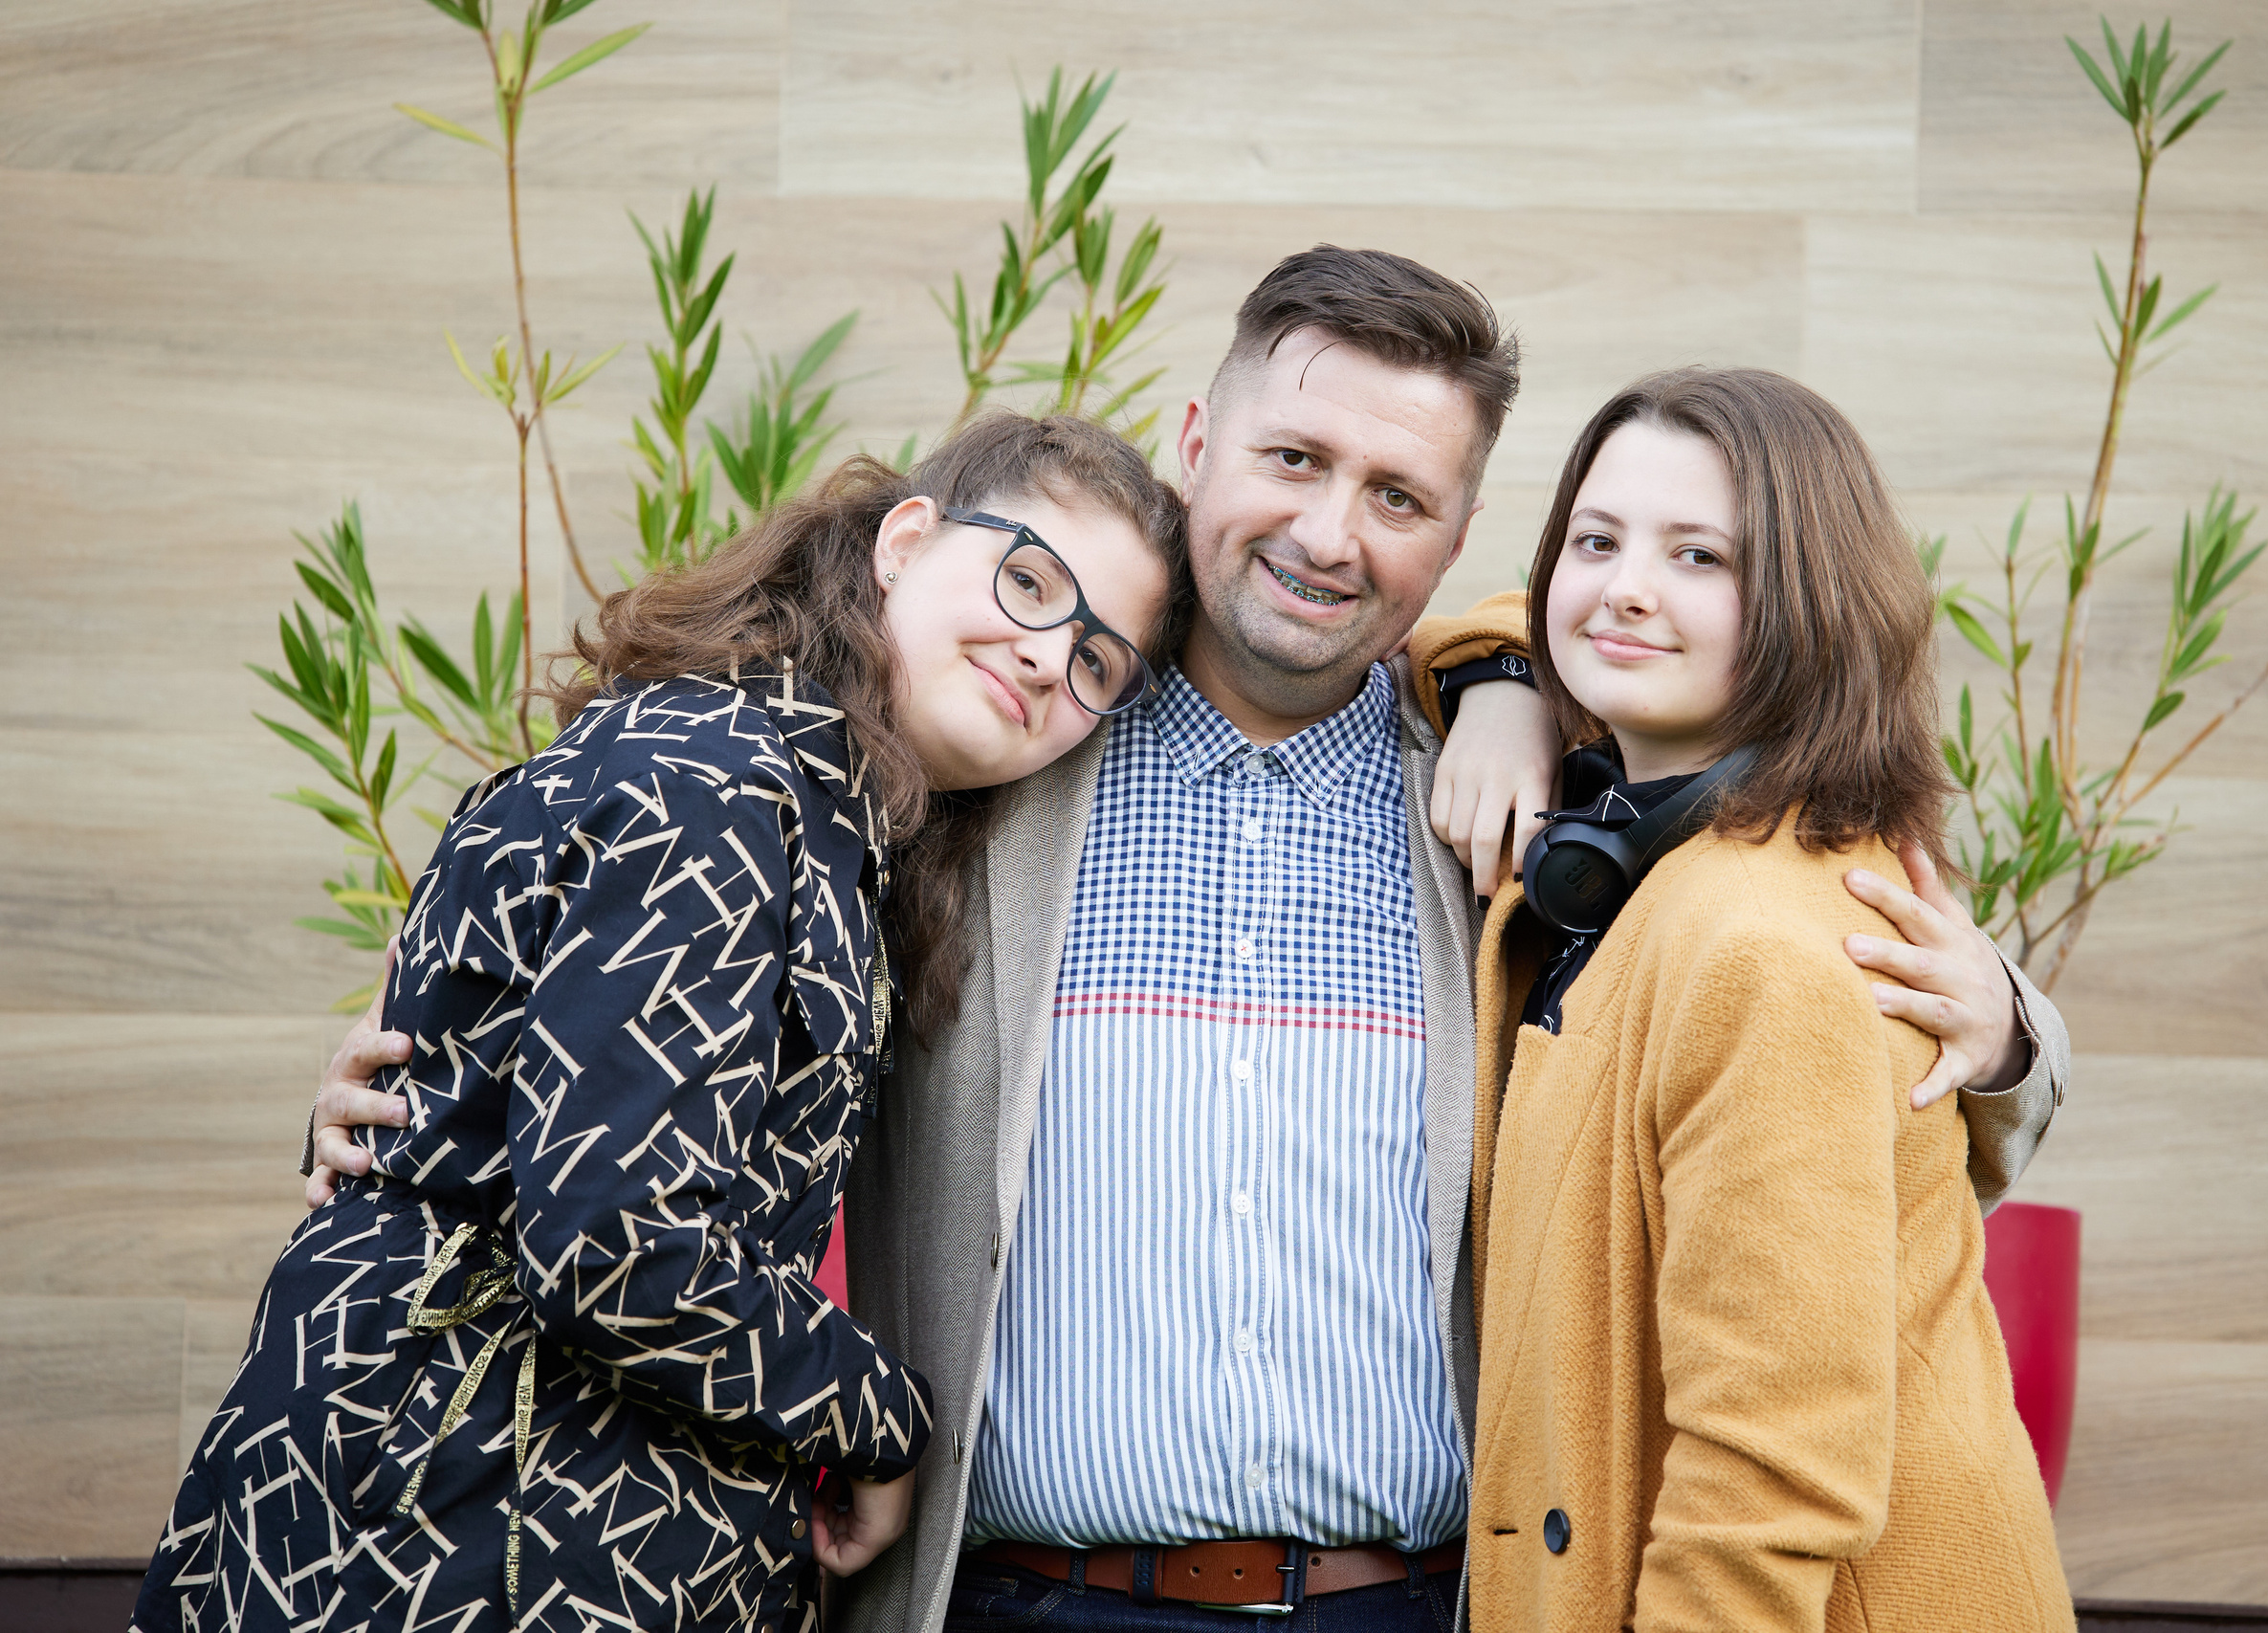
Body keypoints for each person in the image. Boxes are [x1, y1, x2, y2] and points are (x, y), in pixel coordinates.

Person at [310, 248, 2069, 1632]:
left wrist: (2003, 1026)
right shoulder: (998, 742)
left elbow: (1824, 990)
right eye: (1294, 458)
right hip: (1003, 1597)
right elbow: (638, 936)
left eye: (1400, 495)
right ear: (1197, 443)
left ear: (1462, 536)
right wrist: (416, 1111)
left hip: (1418, 1603)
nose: (1327, 530)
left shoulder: (1561, 818)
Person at [137, 412, 1187, 1633]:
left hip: (499, 1523)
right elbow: (622, 1245)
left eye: (1098, 662)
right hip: (463, 1543)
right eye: (1028, 580)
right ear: (905, 542)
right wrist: (882, 1426)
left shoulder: (809, 812)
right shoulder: (723, 788)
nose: (1049, 655)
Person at [1459, 367, 2076, 1630]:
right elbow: (1449, 609)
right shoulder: (1662, 857)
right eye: (1596, 538)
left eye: (1700, 555)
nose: (1627, 585)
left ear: (1804, 602)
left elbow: (1772, 1474)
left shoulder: (1760, 943)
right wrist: (1493, 678)